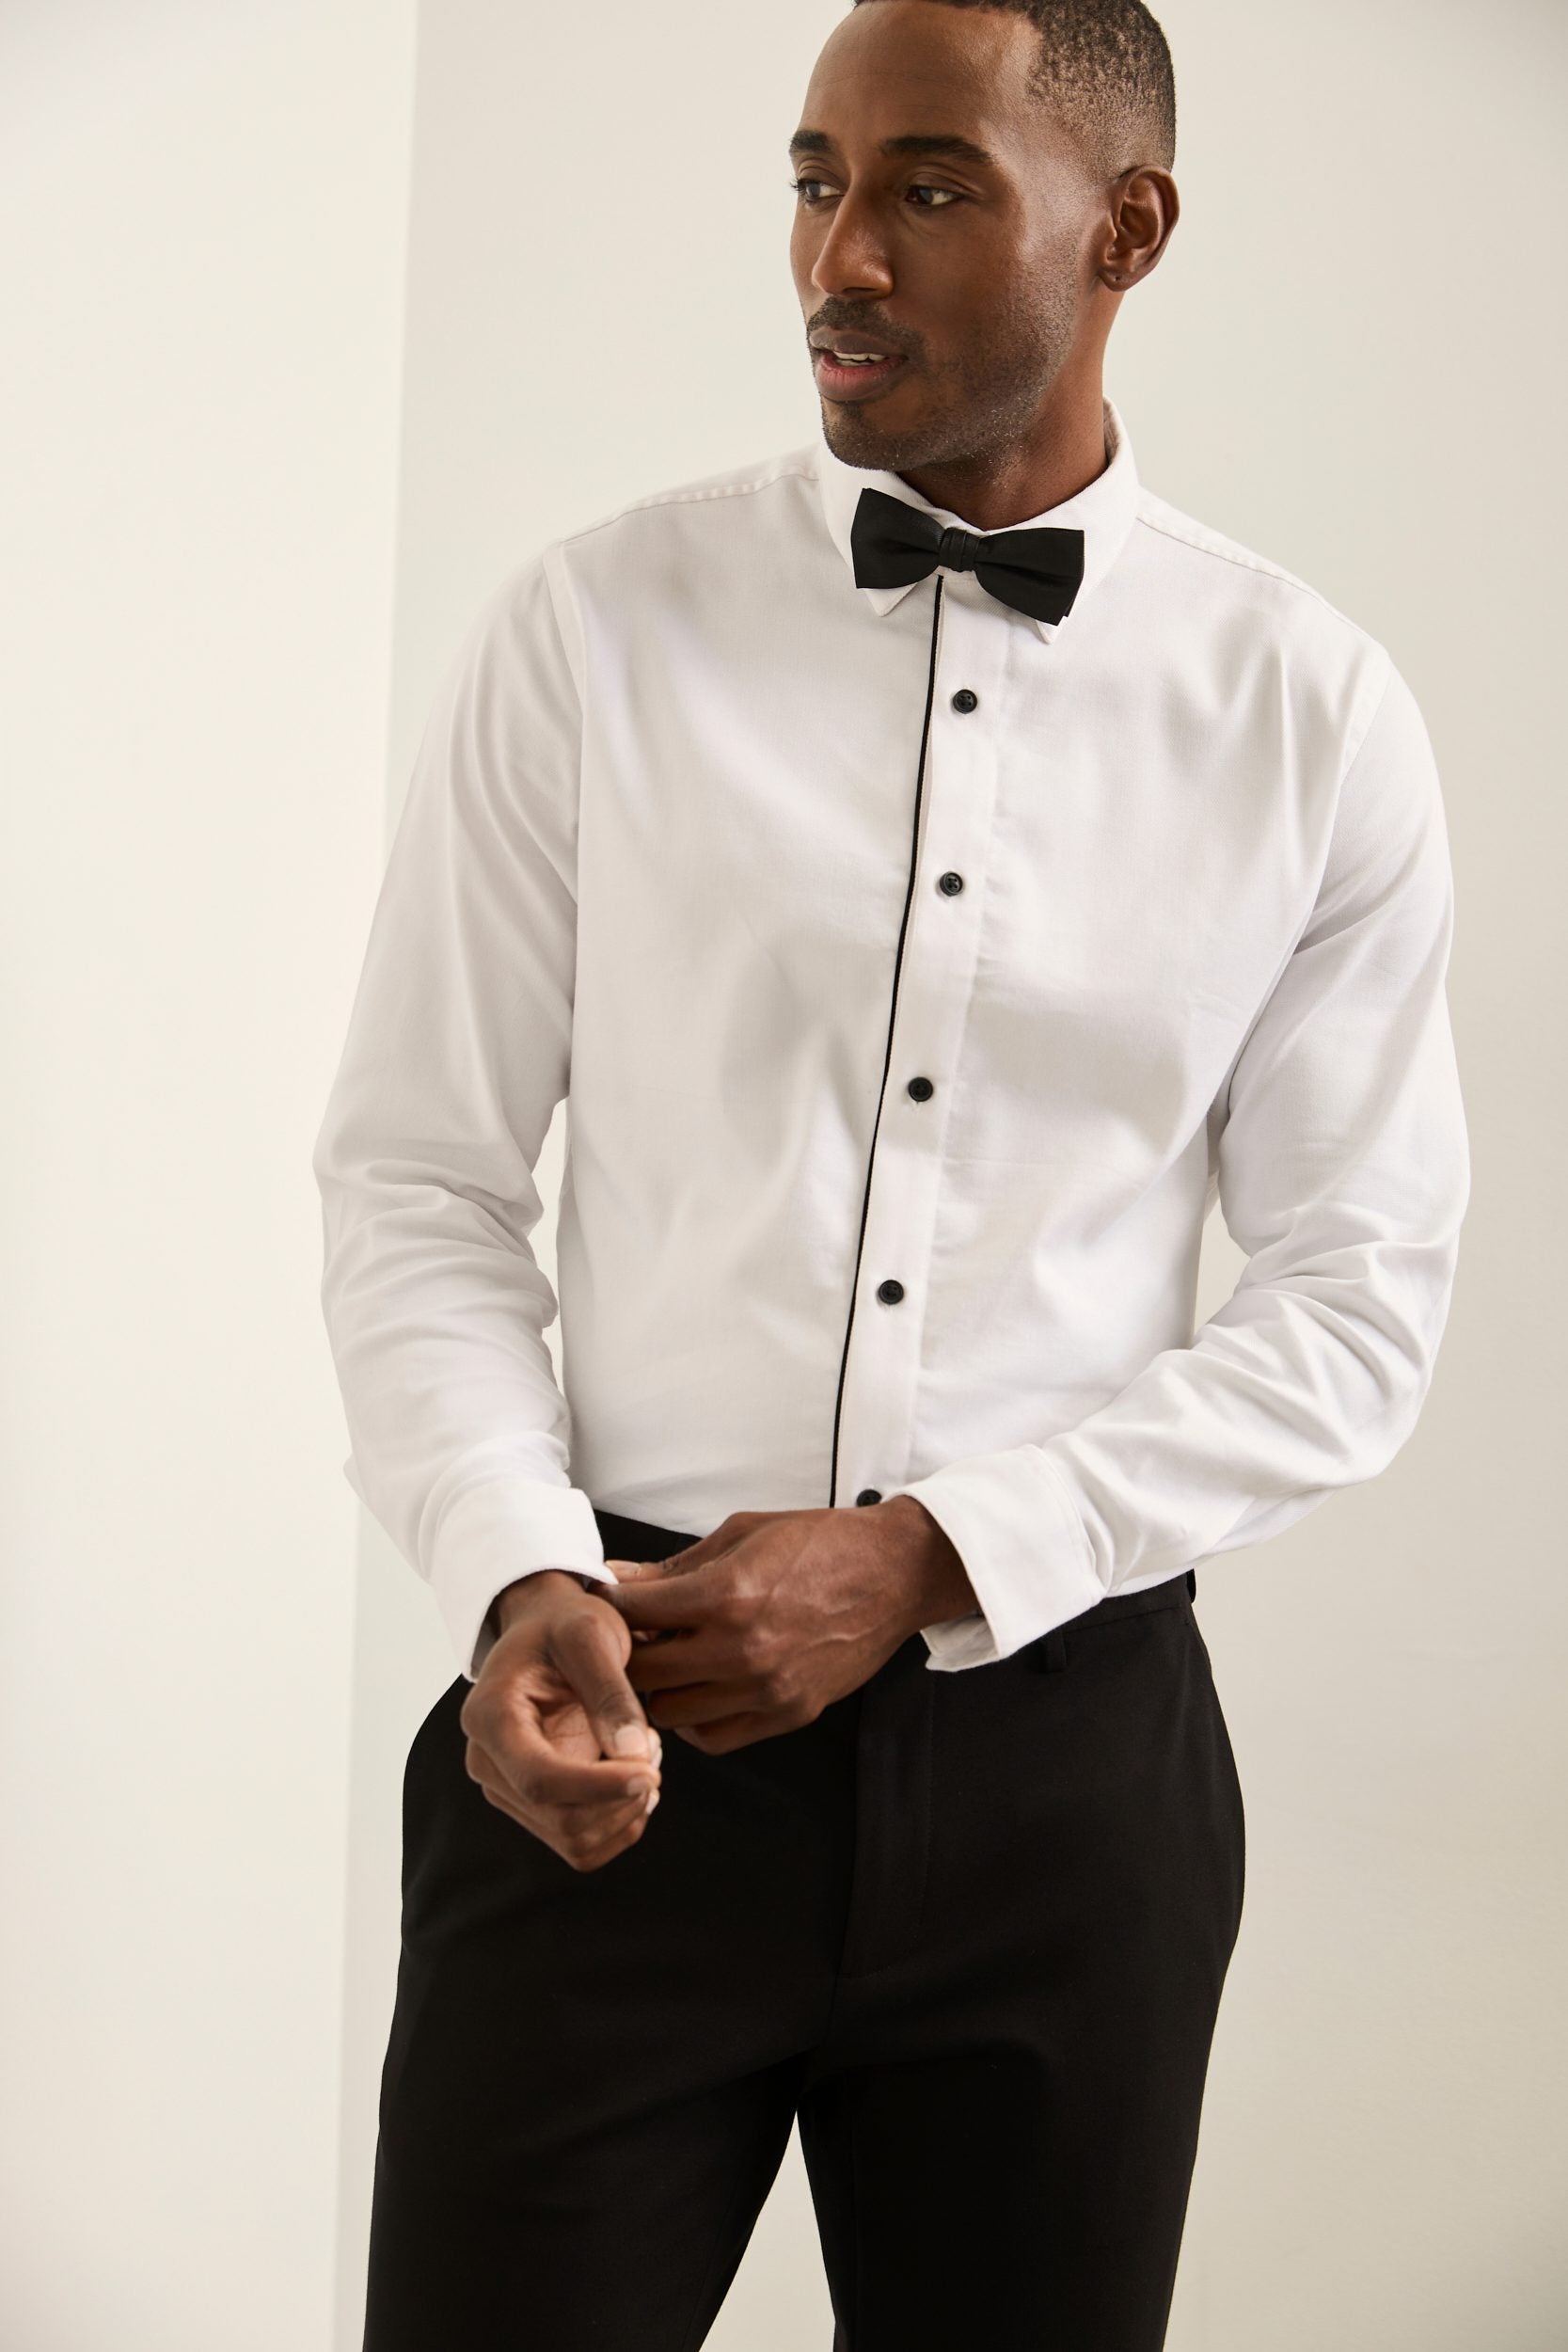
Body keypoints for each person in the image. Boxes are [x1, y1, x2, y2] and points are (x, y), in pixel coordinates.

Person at [311, 1, 1470, 2344]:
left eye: (930, 185)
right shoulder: (591, 629)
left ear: (1126, 227)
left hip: (1070, 1789)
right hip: (604, 1730)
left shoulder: (1310, 711)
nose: (839, 254)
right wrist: (516, 1559)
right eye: (814, 179)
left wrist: (934, 1553)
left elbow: (1359, 1296)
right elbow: (420, 1176)